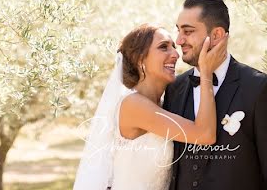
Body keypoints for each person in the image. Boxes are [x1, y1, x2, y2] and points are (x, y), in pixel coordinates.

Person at [164, 0, 267, 190]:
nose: (179, 40)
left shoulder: (259, 88)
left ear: (216, 35)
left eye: (188, 31)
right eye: (178, 31)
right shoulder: (175, 88)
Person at [74, 22, 228, 190]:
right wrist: (206, 72)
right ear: (140, 59)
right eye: (163, 47)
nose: (175, 54)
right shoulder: (134, 105)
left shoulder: (163, 104)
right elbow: (204, 134)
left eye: (173, 47)